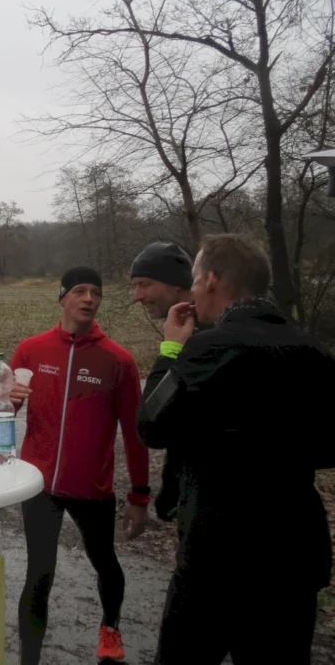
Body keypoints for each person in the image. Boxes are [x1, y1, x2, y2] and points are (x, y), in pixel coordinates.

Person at [138, 234, 335, 664]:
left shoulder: (210, 349)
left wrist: (171, 348)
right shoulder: (313, 351)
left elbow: (151, 424)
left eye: (194, 278)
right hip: (294, 557)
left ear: (210, 280)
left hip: (219, 556)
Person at [9, 266, 149, 665]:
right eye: (81, 291)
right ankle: (29, 659)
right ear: (63, 298)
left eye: (96, 293)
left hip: (92, 485)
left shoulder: (118, 360)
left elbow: (135, 432)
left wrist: (140, 494)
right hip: (38, 482)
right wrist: (2, 399)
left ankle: (110, 627)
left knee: (104, 560)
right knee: (39, 573)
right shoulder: (32, 349)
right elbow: (3, 413)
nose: (90, 299)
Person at [130, 241, 196, 523]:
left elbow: (152, 425)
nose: (137, 296)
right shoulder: (189, 329)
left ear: (178, 284)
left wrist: (169, 351)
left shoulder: (204, 341)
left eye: (145, 284)